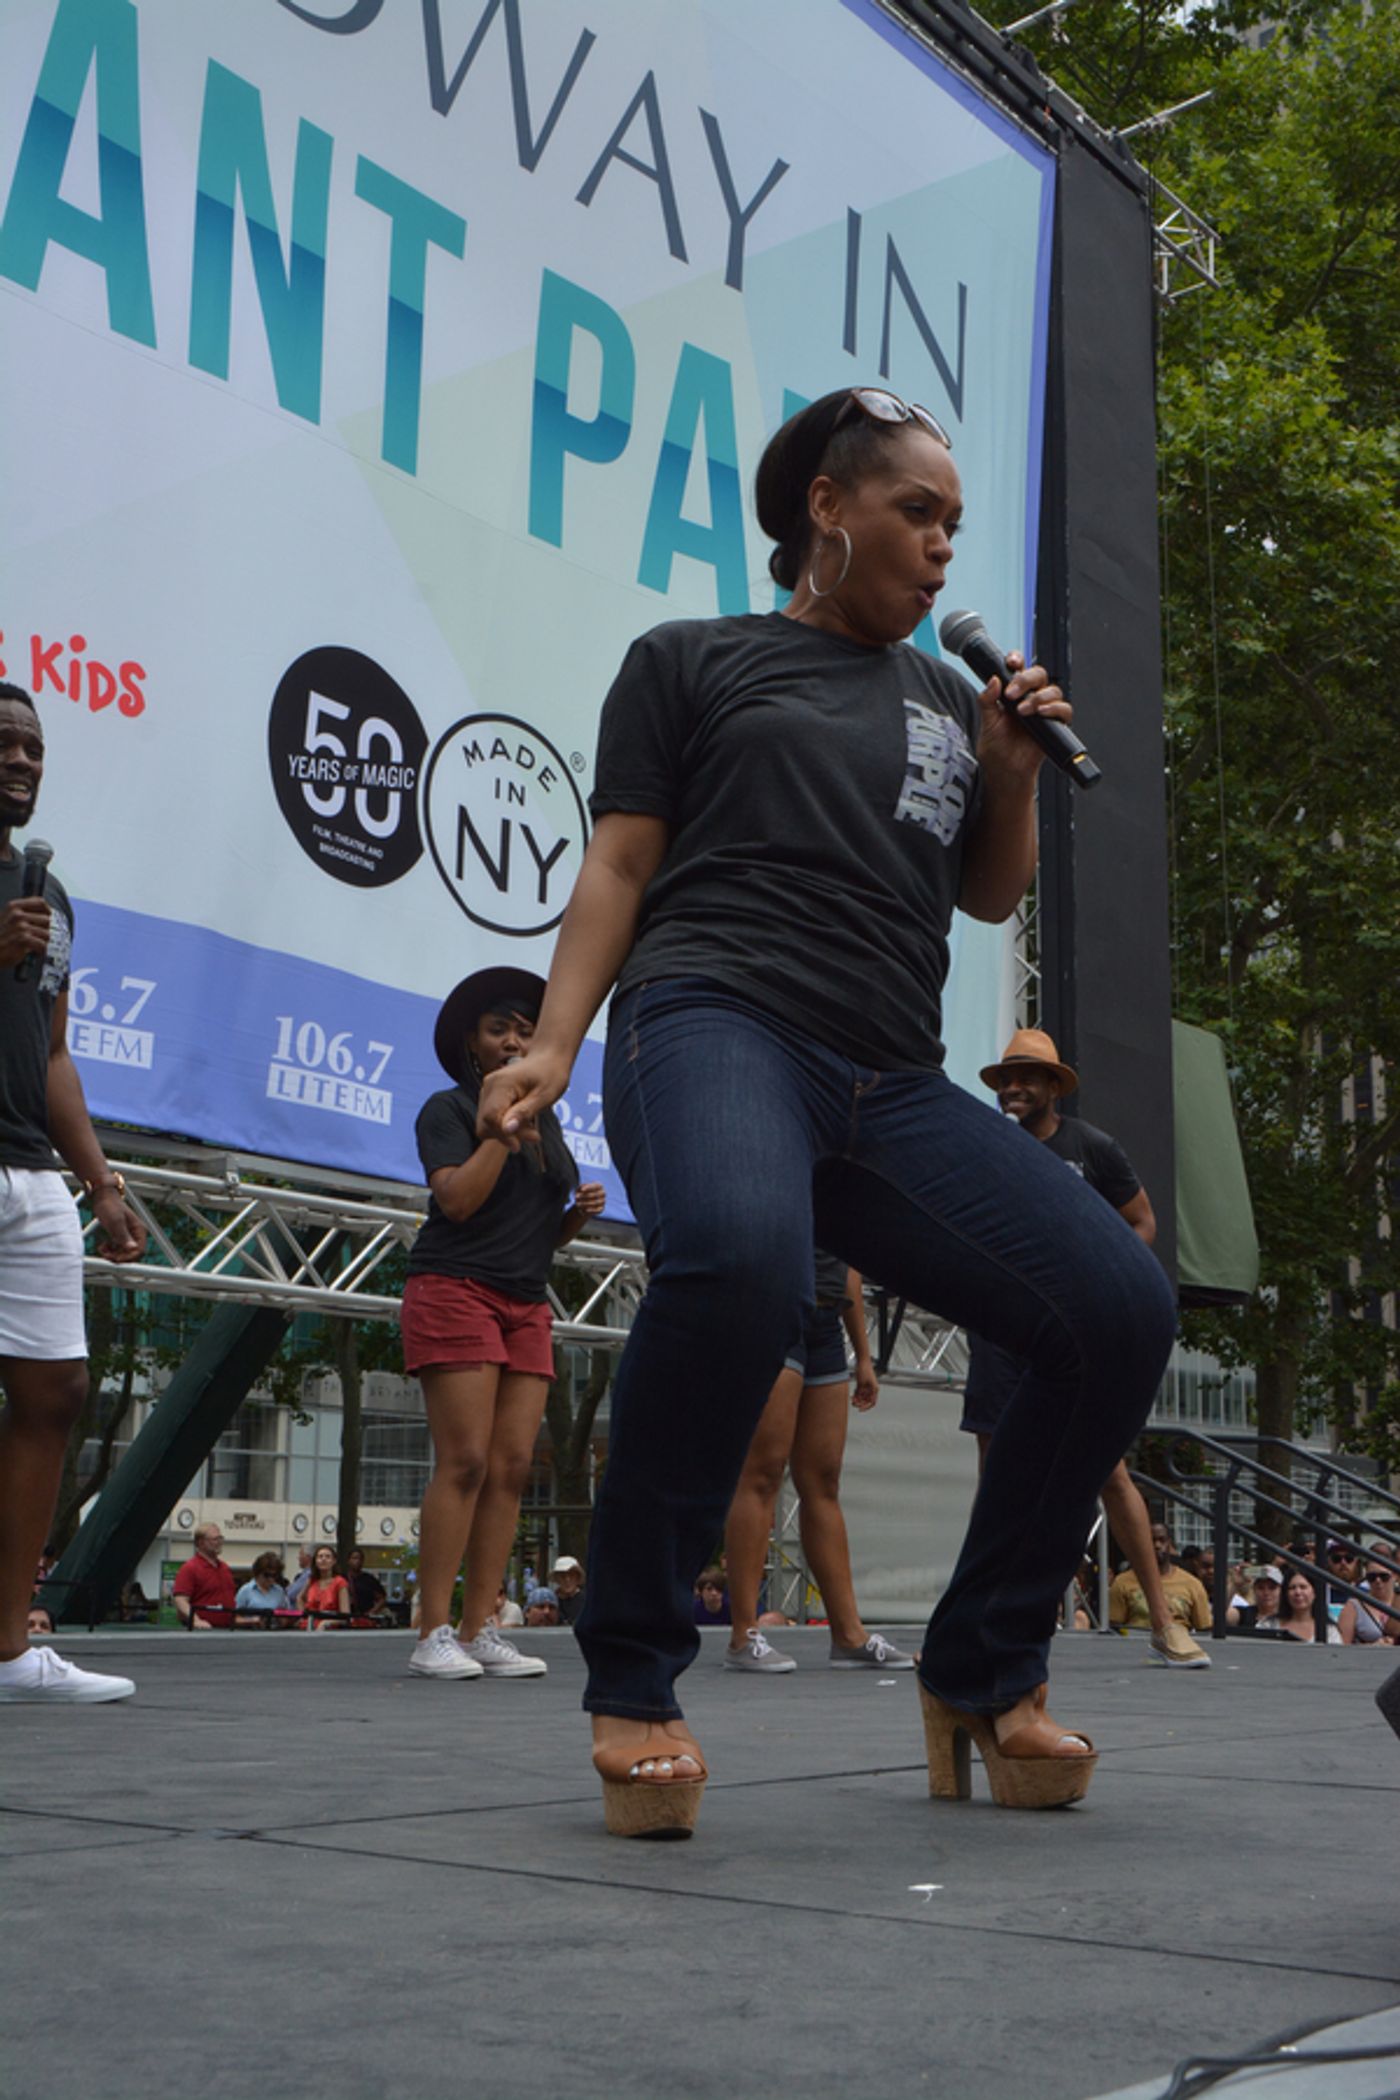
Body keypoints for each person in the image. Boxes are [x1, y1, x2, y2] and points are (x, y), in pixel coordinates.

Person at [477, 385, 1177, 1836]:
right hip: (714, 1017)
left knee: (1117, 1306)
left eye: (953, 525)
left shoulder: (948, 697)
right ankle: (635, 1675)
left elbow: (986, 892)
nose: (939, 549)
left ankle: (983, 1673)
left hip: (889, 1081)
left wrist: (1008, 766)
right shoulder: (694, 662)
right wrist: (554, 1042)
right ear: (826, 510)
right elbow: (616, 868)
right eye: (915, 513)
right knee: (735, 1261)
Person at [960, 1032, 1207, 1671]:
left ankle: (1162, 1620)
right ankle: (989, 1619)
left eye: (1025, 1078)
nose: (1013, 1088)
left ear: (1052, 1087)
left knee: (1109, 1470)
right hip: (1001, 1326)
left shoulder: (1091, 1147)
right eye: (1006, 1079)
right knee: (996, 1470)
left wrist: (1103, 1282)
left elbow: (1143, 1221)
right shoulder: (988, 1148)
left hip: (1072, 1328)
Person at [0, 681, 147, 1705]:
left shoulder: (51, 899)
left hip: (30, 1170)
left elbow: (54, 1054)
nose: (23, 761)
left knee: (54, 1394)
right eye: (4, 744)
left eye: (35, 748)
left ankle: (9, 1651)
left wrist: (100, 1182)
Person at [400, 967, 605, 1684]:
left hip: (525, 1298)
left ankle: (481, 1624)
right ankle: (431, 1631)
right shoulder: (448, 1109)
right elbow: (456, 1201)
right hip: (455, 1288)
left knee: (513, 1468)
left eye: (525, 1029)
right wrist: (499, 1130)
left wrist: (575, 1215)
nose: (516, 1039)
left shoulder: (547, 1125)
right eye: (500, 1030)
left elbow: (538, 1235)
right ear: (473, 1047)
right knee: (466, 1461)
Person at [725, 1254, 913, 1673]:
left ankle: (849, 1635)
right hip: (774, 1308)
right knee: (763, 1471)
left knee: (824, 1481)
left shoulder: (842, 1191)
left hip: (826, 1322)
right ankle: (743, 1635)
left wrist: (864, 1356)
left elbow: (849, 1263)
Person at [1108, 1523, 1211, 1648]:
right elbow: (1114, 1627)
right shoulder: (1122, 1582)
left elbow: (1204, 1630)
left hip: (1179, 1647)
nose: (1157, 1545)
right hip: (1134, 1646)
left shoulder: (1192, 1584)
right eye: (1152, 1540)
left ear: (1170, 1544)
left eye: (1162, 1540)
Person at [173, 1524, 236, 1629]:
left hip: (227, 1629)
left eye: (221, 1538)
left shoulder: (225, 1568)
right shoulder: (190, 1568)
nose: (219, 1542)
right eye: (215, 1539)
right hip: (202, 1631)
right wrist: (196, 1621)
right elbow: (180, 1600)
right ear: (201, 1542)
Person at [1259, 1570, 1341, 1643]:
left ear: (1315, 1592)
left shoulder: (1329, 1631)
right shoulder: (1268, 1625)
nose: (1297, 1592)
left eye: (1303, 1587)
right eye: (1292, 1588)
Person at [1339, 1554, 1400, 1646]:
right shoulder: (1353, 1606)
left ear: (1395, 1576)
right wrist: (1373, 1647)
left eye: (1384, 1576)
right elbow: (1340, 1647)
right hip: (1366, 1658)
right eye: (1372, 1577)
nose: (1378, 1580)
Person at [301, 1545, 351, 1629]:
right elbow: (300, 1598)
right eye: (320, 1557)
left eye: (327, 1557)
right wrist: (304, 1616)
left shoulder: (340, 1582)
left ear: (334, 1561)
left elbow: (345, 1616)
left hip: (329, 1630)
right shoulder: (312, 1580)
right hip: (309, 1626)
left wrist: (326, 1623)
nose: (323, 1559)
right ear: (315, 1561)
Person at [235, 1551, 291, 1623]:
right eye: (267, 1575)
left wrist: (282, 1620)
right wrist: (253, 1620)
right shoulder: (246, 1591)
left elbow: (287, 1615)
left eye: (274, 1575)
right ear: (258, 1572)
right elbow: (235, 1618)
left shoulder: (279, 1591)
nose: (270, 1579)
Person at [345, 1547, 390, 1622]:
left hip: (366, 1618)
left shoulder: (369, 1579)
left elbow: (382, 1598)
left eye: (360, 1559)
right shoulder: (342, 1579)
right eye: (354, 1558)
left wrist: (373, 1611)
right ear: (348, 1560)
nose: (357, 1561)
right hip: (348, 1618)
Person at [550, 1555, 586, 1627]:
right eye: (563, 1576)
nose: (567, 1580)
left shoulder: (587, 1601)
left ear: (577, 1577)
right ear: (557, 1578)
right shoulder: (551, 1602)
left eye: (571, 1575)